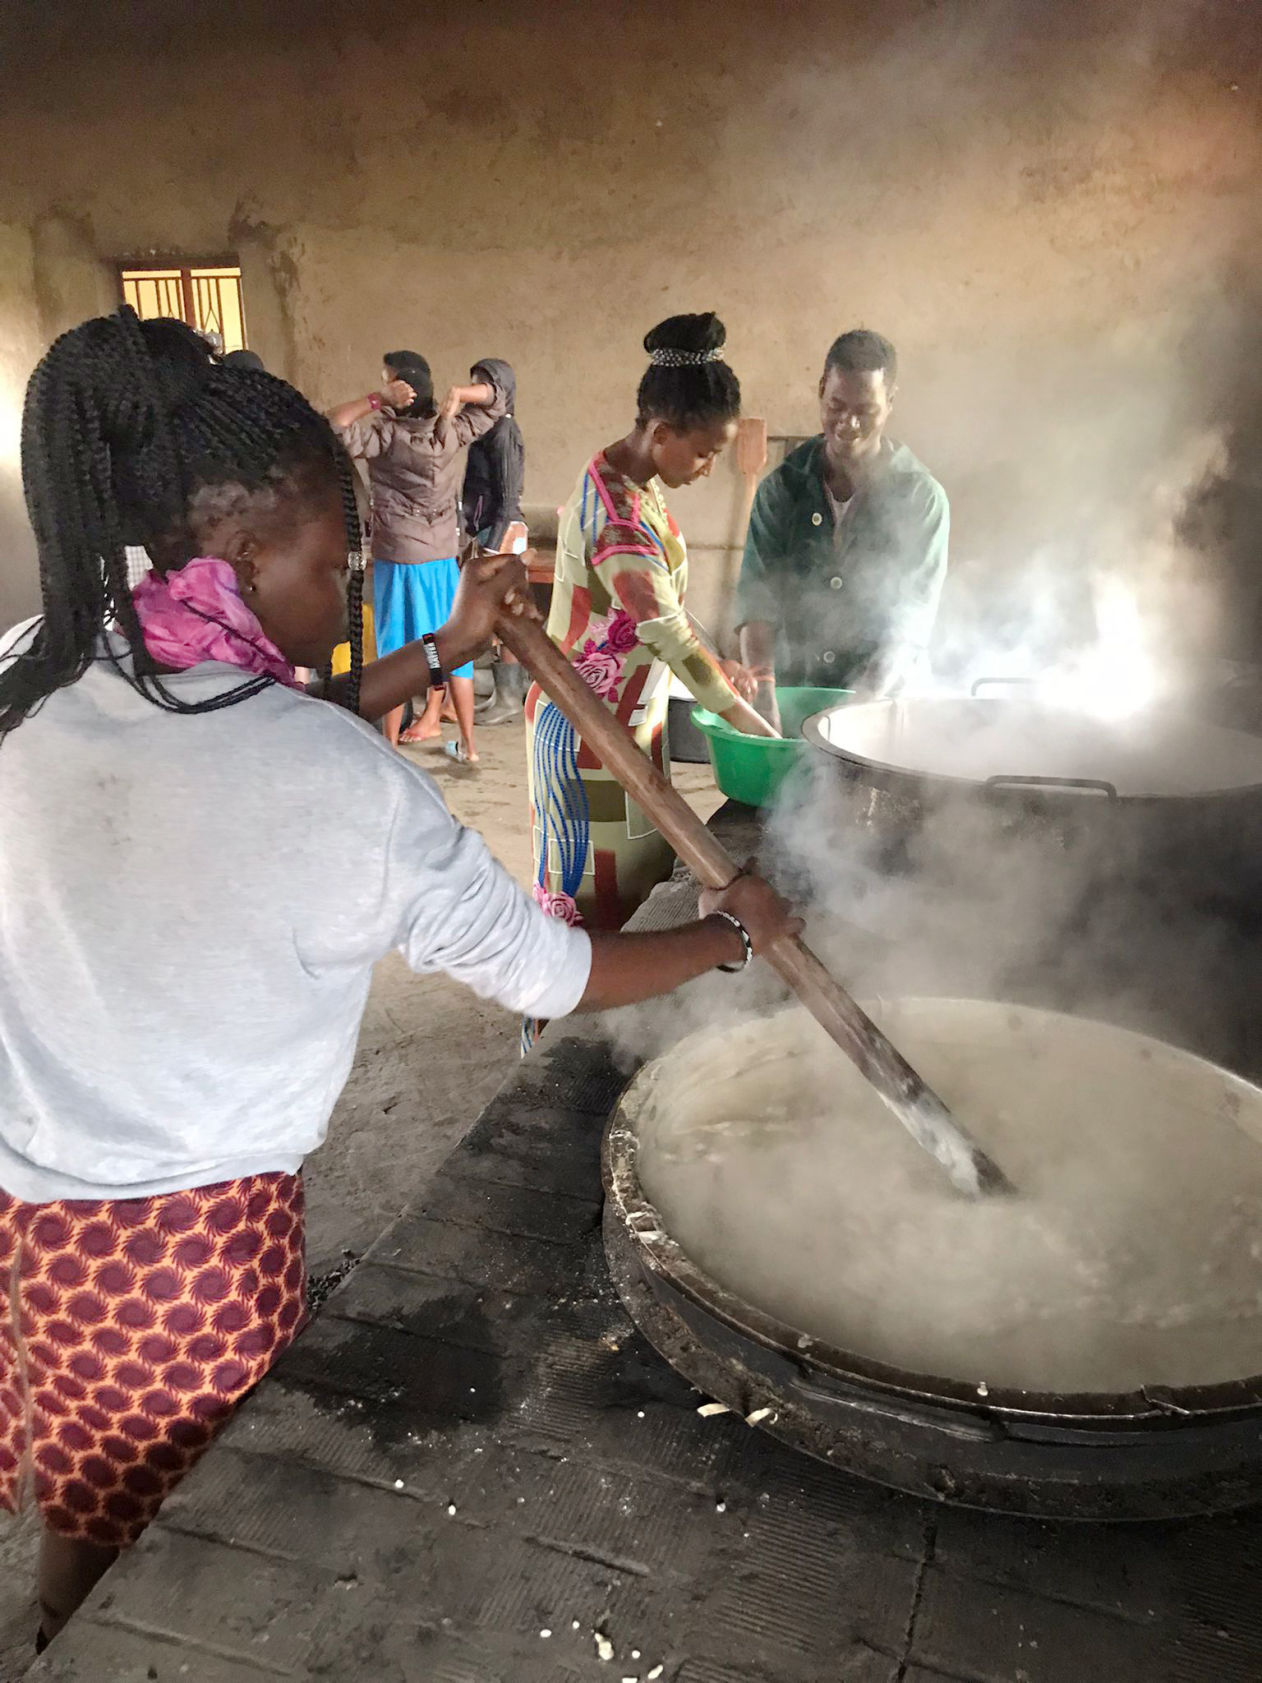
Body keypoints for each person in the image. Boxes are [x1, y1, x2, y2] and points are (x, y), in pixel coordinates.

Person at [0, 308, 800, 1651]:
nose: (351, 585)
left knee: (88, 1495)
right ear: (243, 555)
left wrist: (444, 650)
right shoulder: (337, 787)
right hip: (183, 1247)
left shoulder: (42, 662)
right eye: (335, 562)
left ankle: (56, 1626)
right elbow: (545, 966)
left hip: (26, 1205)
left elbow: (239, 729)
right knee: (181, 1540)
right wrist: (732, 926)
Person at [527, 313, 775, 939]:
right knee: (595, 907)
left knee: (638, 886)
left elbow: (660, 603)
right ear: (662, 432)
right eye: (704, 452)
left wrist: (720, 666)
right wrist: (760, 735)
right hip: (588, 732)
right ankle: (563, 1032)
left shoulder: (625, 473)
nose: (708, 467)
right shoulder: (618, 521)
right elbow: (666, 630)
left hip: (626, 719)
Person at [736, 329, 949, 731]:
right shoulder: (781, 490)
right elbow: (756, 603)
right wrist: (763, 695)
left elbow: (908, 626)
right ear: (821, 390)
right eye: (836, 405)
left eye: (865, 411)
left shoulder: (921, 501)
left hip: (882, 709)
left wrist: (853, 722)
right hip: (793, 703)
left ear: (891, 403)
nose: (847, 423)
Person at [329, 351, 506, 760]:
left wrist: (376, 398)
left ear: (400, 393)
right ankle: (469, 744)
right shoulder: (452, 431)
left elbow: (333, 425)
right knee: (450, 645)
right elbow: (498, 401)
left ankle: (389, 747)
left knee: (397, 651)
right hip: (443, 557)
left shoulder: (385, 436)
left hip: (399, 559)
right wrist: (460, 395)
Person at [461, 357, 529, 725]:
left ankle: (509, 698)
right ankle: (504, 696)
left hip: (503, 530)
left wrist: (497, 543)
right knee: (498, 614)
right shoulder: (486, 431)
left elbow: (506, 496)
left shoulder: (503, 431)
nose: (477, 393)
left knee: (506, 613)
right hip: (490, 529)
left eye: (485, 386)